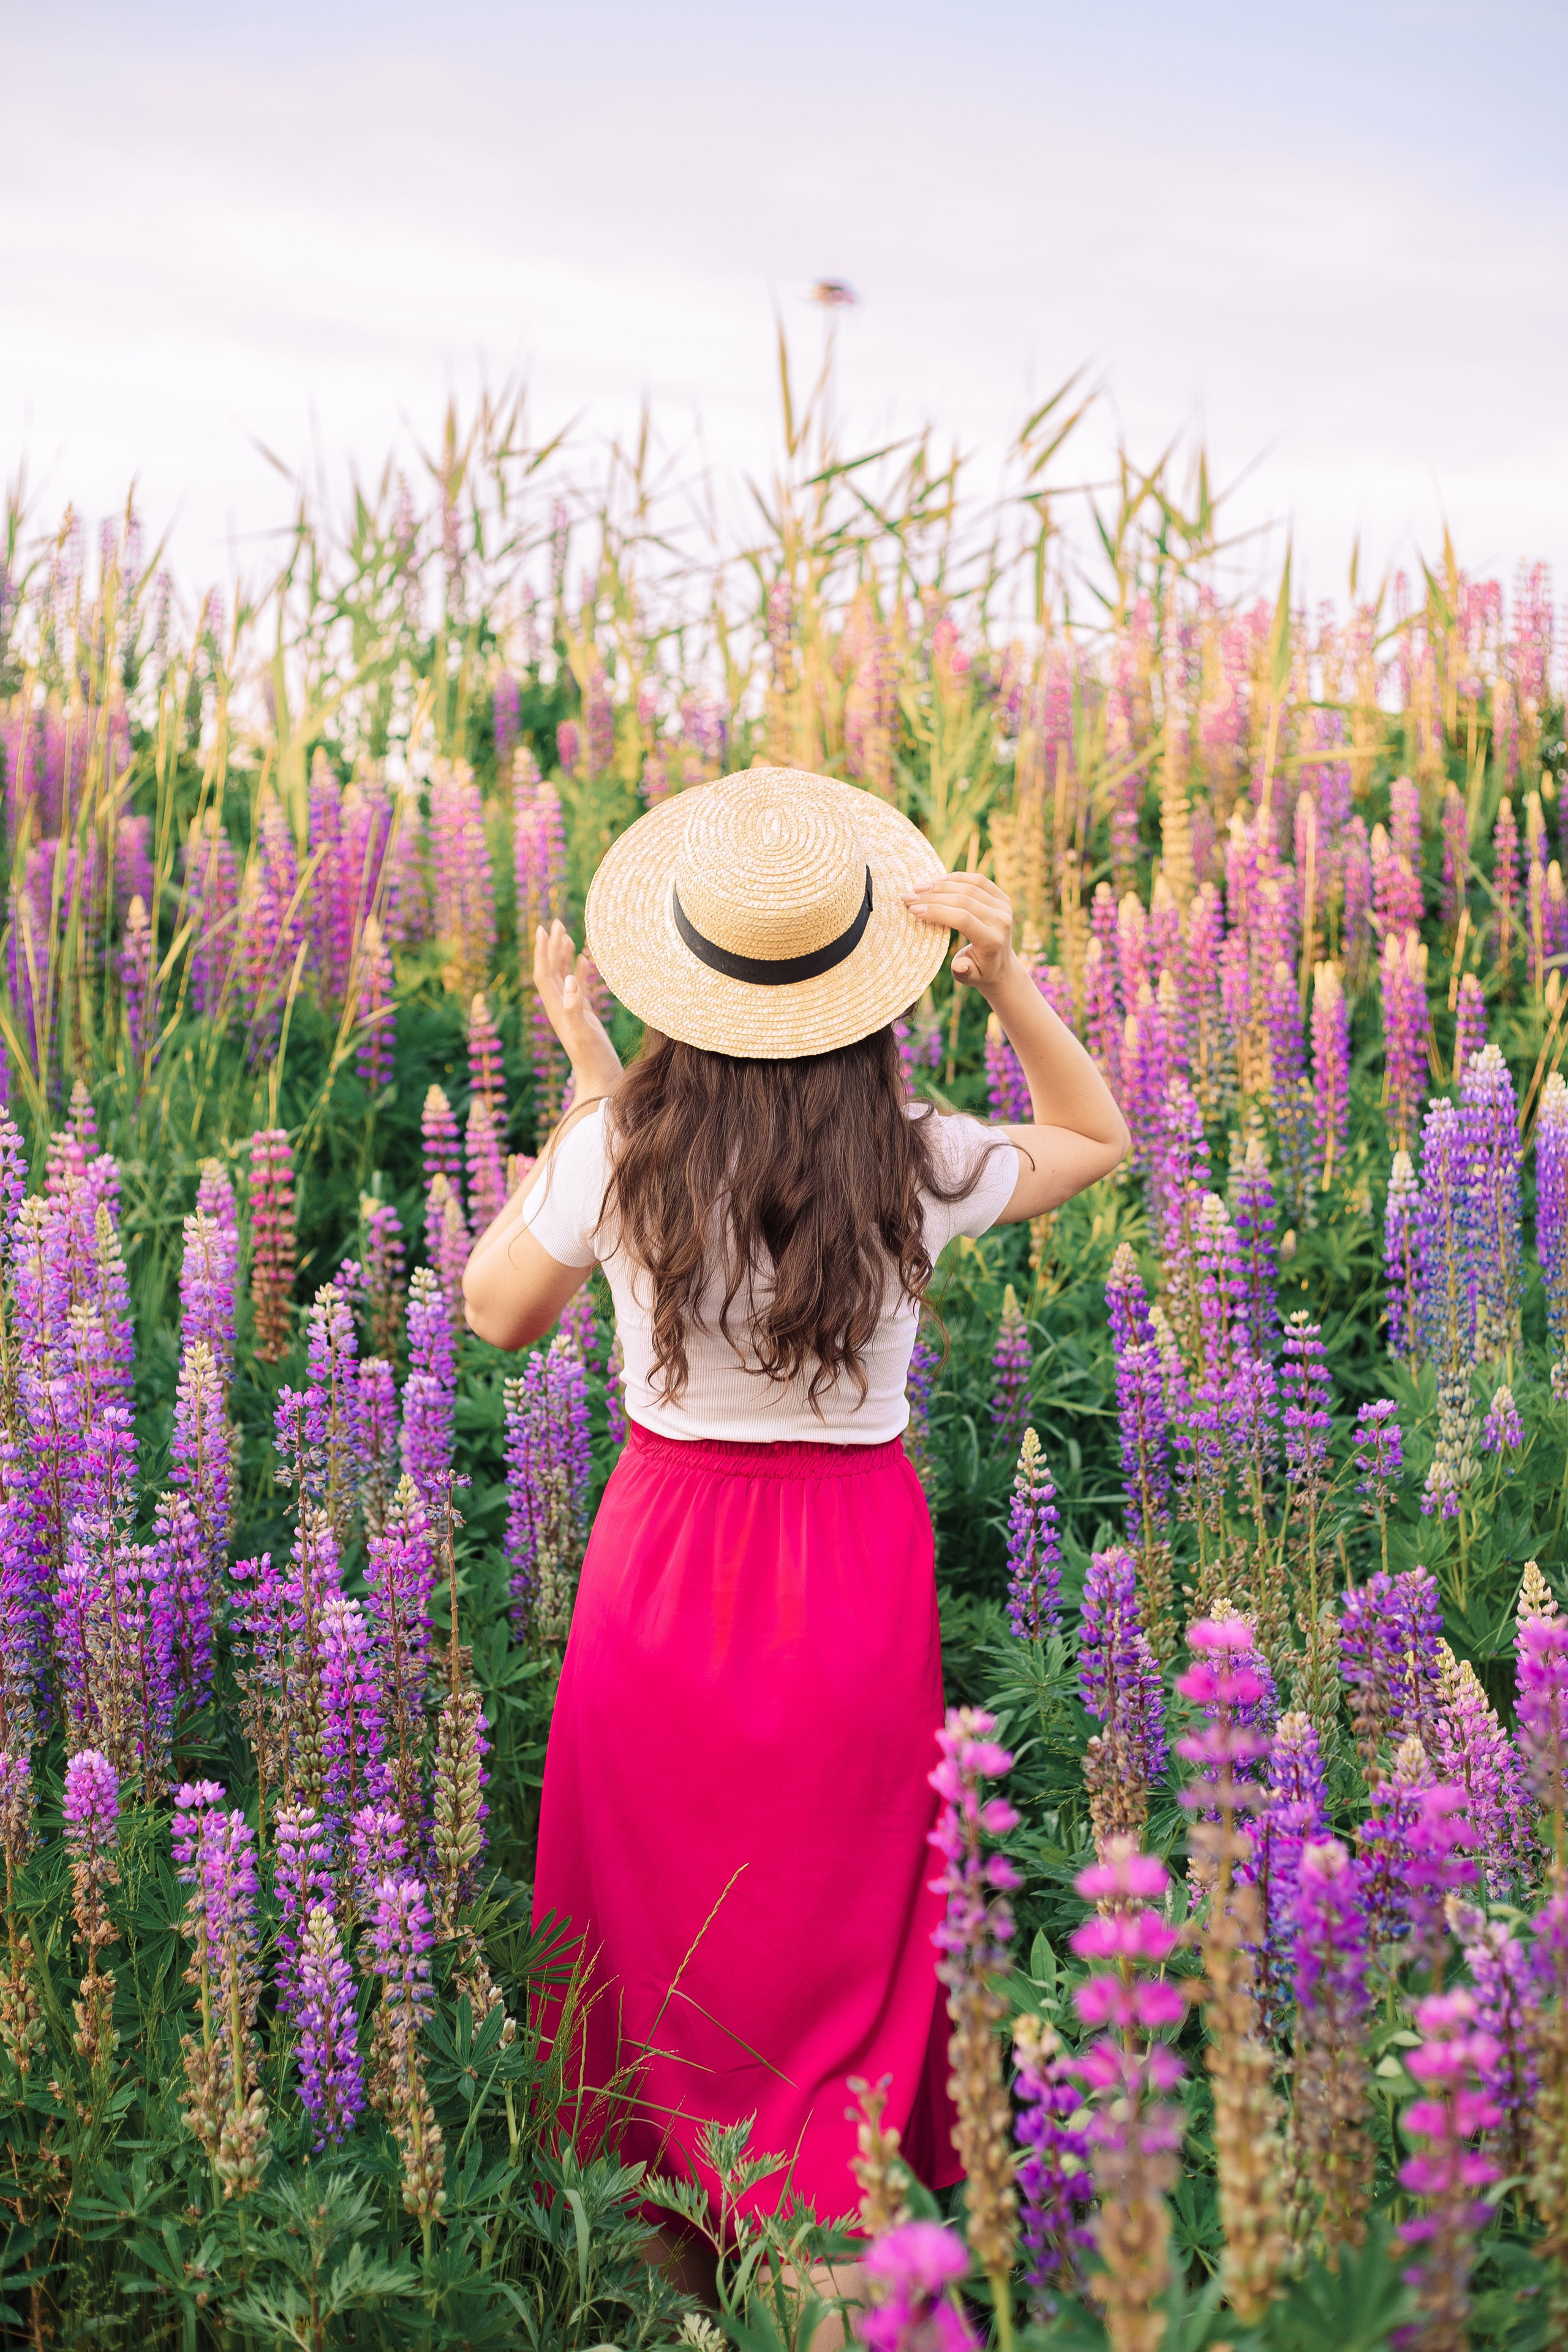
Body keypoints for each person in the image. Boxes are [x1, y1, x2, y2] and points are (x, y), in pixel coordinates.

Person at [462, 766, 1128, 2312]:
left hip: (664, 1566)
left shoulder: (619, 1151)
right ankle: (837, 2245)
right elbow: (1094, 1137)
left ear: (682, 992)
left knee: (650, 1918)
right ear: (857, 994)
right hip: (848, 1572)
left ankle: (661, 2273)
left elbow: (497, 1309)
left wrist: (588, 1080)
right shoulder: (910, 1154)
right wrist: (1008, 977)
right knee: (832, 1913)